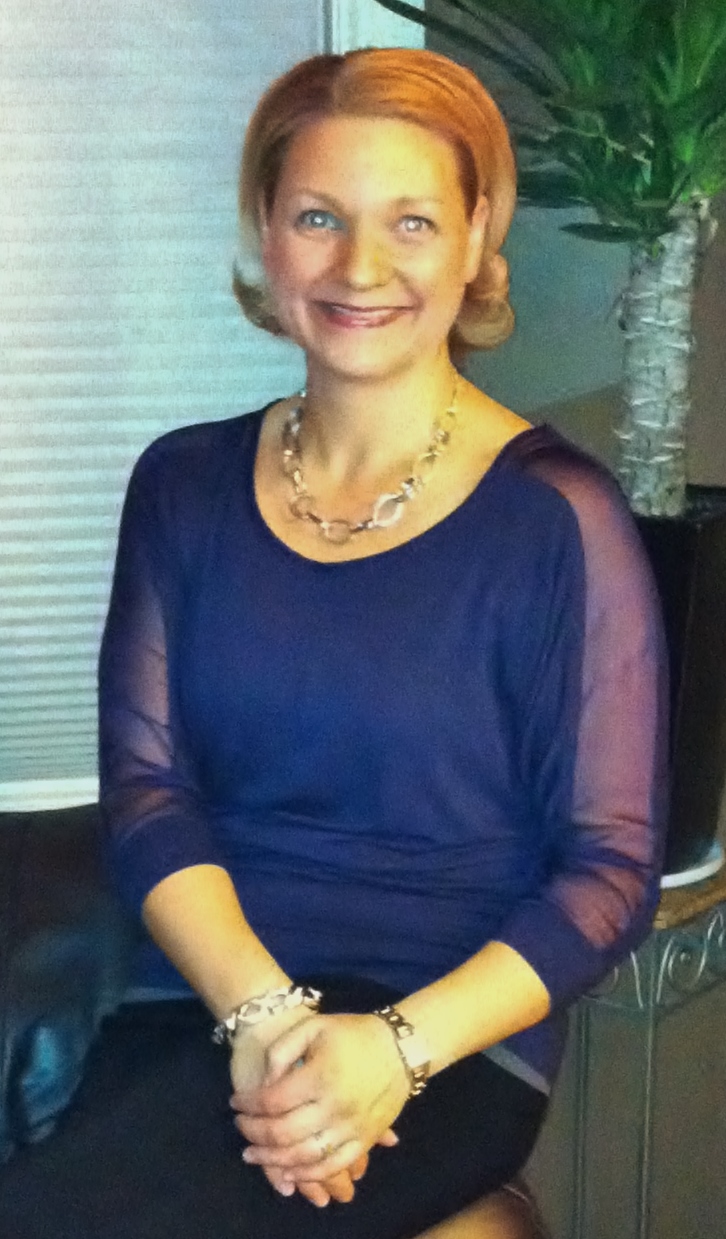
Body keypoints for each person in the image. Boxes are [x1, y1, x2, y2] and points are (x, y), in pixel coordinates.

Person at [0, 48, 667, 1239]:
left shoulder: (557, 520)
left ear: (475, 236)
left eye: (411, 221)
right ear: (266, 231)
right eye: (319, 217)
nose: (361, 267)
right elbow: (149, 790)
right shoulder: (184, 485)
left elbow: (609, 868)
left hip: (446, 1034)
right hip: (201, 1002)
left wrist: (390, 1052)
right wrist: (263, 1015)